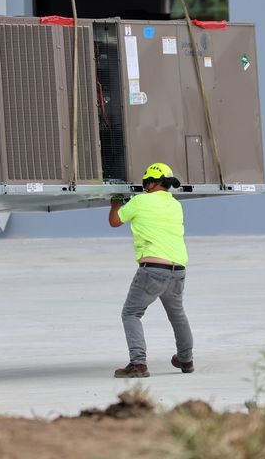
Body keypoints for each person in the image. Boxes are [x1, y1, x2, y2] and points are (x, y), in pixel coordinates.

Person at [108, 162, 193, 378]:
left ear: (152, 183)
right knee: (177, 315)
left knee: (131, 313)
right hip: (178, 270)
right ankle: (185, 359)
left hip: (153, 270)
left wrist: (116, 203)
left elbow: (115, 221)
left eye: (146, 183)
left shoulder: (140, 201)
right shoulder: (175, 205)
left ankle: (138, 364)